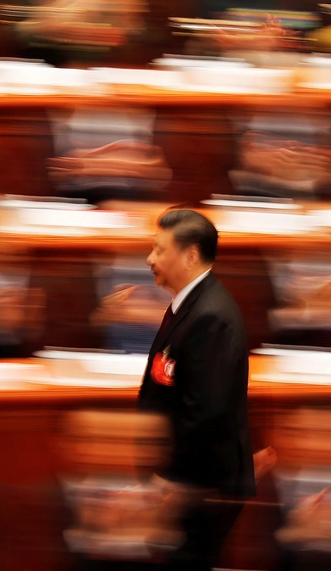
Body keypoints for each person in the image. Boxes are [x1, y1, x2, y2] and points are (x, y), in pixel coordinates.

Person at [138, 208, 255, 571]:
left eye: (159, 250)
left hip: (200, 484)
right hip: (192, 480)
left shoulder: (211, 316)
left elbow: (206, 413)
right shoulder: (192, 304)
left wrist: (172, 483)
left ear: (190, 255)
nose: (149, 259)